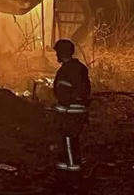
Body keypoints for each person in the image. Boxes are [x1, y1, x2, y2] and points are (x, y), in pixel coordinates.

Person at [52, 39, 91, 173]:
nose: (56, 55)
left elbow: (63, 94)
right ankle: (67, 167)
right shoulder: (80, 68)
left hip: (70, 113)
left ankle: (72, 171)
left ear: (62, 53)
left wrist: (59, 107)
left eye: (57, 52)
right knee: (71, 140)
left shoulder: (66, 71)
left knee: (68, 140)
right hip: (77, 111)